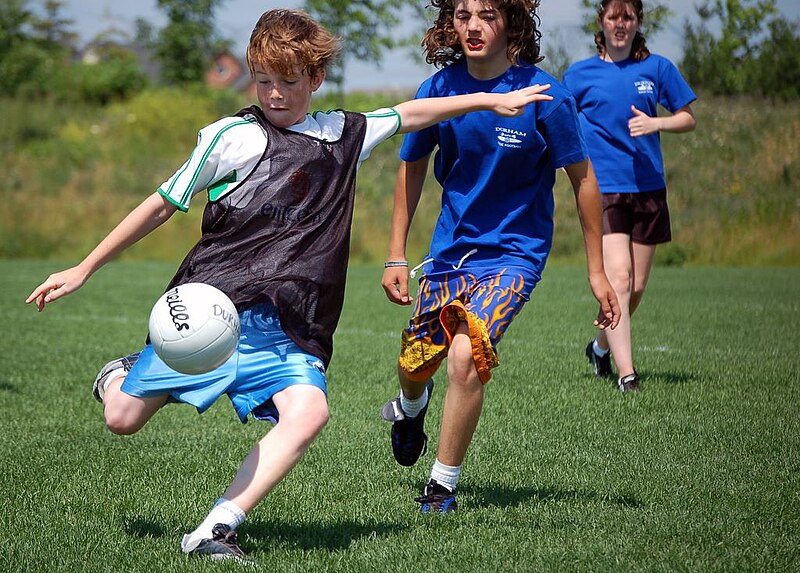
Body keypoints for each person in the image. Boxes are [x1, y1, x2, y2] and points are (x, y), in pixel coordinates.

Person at [25, 9, 553, 561]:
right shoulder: (231, 137)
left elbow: (412, 113)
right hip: (212, 312)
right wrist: (83, 267)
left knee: (310, 411)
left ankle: (216, 528)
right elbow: (162, 204)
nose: (276, 94)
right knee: (122, 419)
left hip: (290, 330)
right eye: (264, 81)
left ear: (316, 79)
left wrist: (487, 100)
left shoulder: (342, 134)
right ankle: (118, 375)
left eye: (290, 81)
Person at [379, 0, 620, 514]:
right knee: (415, 365)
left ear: (510, 21)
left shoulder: (545, 96)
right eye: (463, 14)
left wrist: (597, 271)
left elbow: (584, 181)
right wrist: (395, 254)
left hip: (515, 254)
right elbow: (411, 168)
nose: (473, 25)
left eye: (487, 14)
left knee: (466, 357)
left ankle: (441, 486)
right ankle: (411, 408)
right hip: (449, 254)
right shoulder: (437, 91)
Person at [563, 0, 697, 392]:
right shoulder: (579, 75)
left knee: (635, 288)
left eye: (628, 17)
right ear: (601, 22)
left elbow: (688, 117)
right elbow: (558, 120)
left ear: (638, 22)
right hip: (603, 190)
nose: (620, 24)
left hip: (649, 187)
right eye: (613, 17)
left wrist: (657, 121)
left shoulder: (657, 68)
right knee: (619, 279)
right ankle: (627, 375)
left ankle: (600, 347)